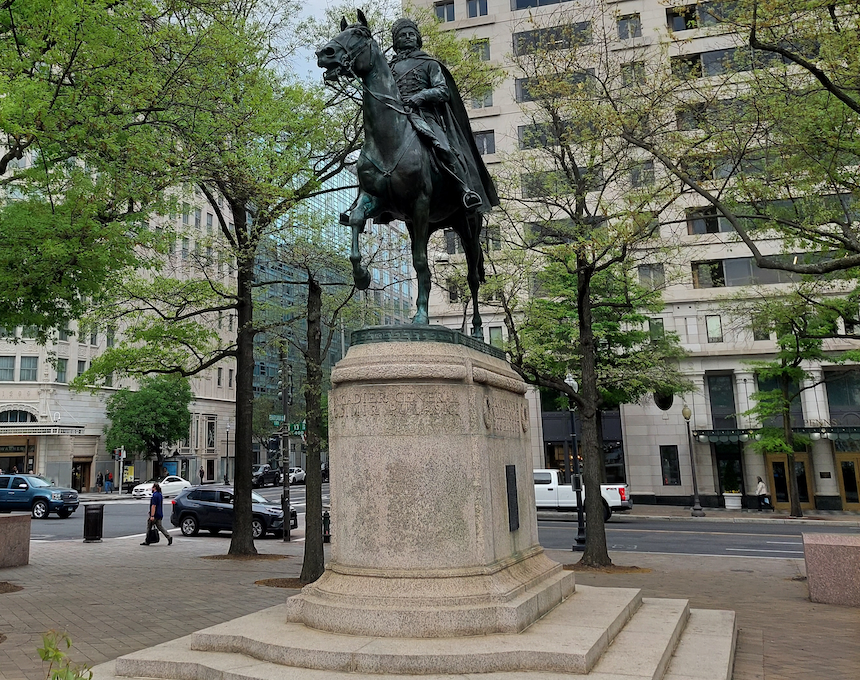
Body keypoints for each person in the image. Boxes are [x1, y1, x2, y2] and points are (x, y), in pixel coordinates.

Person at [386, 18, 498, 214]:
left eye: (411, 34)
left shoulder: (428, 63)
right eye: (403, 35)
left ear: (418, 38)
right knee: (372, 153)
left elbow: (442, 91)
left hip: (425, 115)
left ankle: (465, 190)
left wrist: (420, 96)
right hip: (396, 118)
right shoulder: (389, 68)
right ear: (396, 41)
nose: (408, 37)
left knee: (443, 147)